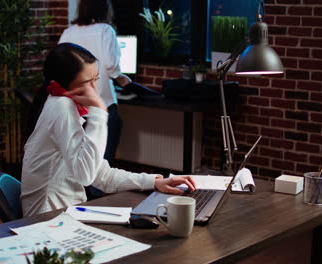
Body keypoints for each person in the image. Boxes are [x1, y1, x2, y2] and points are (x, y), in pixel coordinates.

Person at [21, 43, 195, 217]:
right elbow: (86, 175)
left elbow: (100, 173)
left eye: (96, 79)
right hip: (47, 221)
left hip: (65, 213)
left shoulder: (61, 104)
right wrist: (98, 112)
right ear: (63, 85)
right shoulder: (61, 106)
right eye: (87, 82)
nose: (95, 90)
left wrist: (154, 182)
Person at [58, 0, 129, 165]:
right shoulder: (105, 30)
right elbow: (111, 65)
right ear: (105, 10)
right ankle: (99, 190)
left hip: (75, 105)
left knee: (79, 156)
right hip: (101, 103)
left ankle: (83, 189)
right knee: (102, 156)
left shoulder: (68, 33)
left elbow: (60, 65)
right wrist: (121, 78)